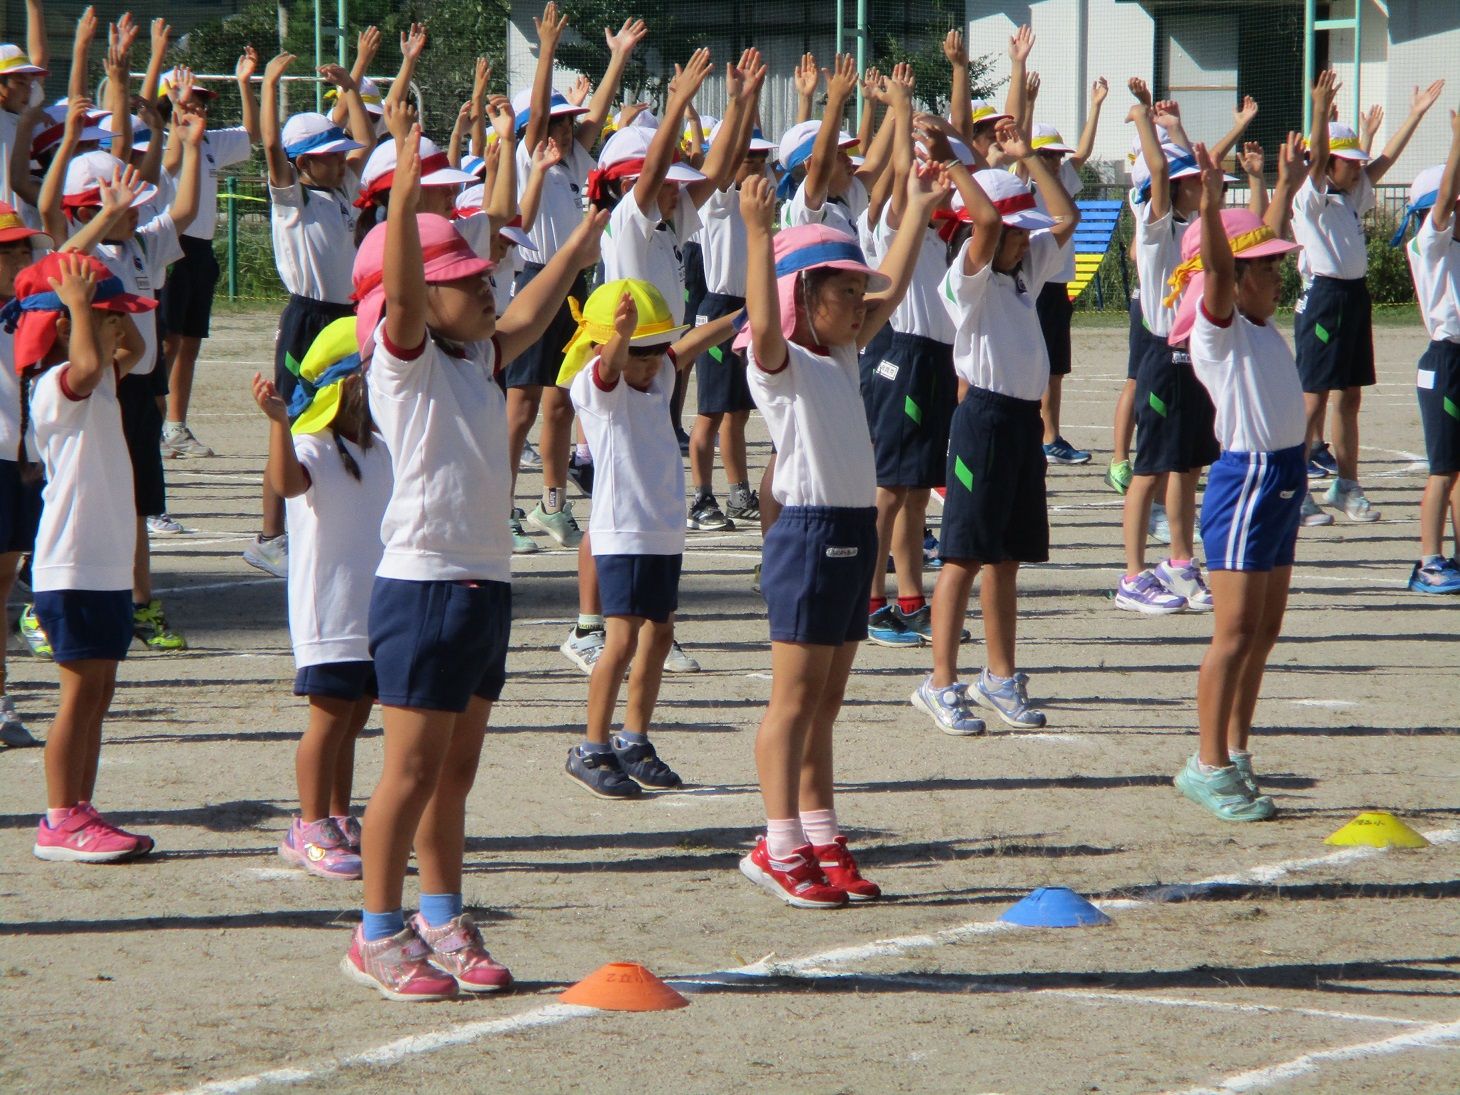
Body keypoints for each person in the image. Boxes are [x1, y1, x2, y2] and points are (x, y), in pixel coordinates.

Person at [341, 123, 607, 999]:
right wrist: (411, 194)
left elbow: (530, 311)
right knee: (409, 773)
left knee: (454, 774)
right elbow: (408, 300)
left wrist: (583, 236)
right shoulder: (404, 361)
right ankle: (377, 932)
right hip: (421, 585)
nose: (487, 290)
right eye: (467, 281)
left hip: (482, 584)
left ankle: (441, 917)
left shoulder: (477, 359)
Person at [737, 161, 947, 909]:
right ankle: (778, 842)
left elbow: (889, 281)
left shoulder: (845, 350)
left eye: (859, 293)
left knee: (825, 702)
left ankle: (821, 835)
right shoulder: (782, 362)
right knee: (793, 702)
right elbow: (763, 322)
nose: (861, 304)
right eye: (844, 292)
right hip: (807, 534)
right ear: (804, 297)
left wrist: (917, 210)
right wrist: (759, 237)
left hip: (854, 531)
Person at [913, 124, 1079, 737]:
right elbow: (983, 225)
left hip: (1019, 425)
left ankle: (999, 676)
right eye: (1017, 234)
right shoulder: (968, 275)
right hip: (980, 420)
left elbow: (1066, 218)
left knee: (1006, 559)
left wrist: (1029, 159)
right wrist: (951, 166)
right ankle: (939, 683)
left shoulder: (1021, 273)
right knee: (961, 556)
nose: (1027, 243)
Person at [1169, 143, 1306, 821]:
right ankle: (1207, 762)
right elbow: (1224, 267)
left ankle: (1238, 749)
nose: (1279, 277)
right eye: (1269, 270)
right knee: (1232, 631)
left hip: (1282, 478)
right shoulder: (1219, 332)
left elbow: (1254, 249)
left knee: (1265, 628)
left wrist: (1278, 185)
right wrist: (1216, 203)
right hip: (1246, 481)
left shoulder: (1260, 320)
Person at [560, 279, 736, 799]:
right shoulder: (596, 386)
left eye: (655, 349)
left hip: (662, 530)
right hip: (623, 531)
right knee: (619, 642)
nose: (649, 360)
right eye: (639, 351)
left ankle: (634, 738)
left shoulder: (657, 373)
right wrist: (621, 338)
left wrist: (744, 316)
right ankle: (591, 747)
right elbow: (613, 363)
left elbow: (688, 345)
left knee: (659, 636)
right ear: (603, 345)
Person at [9, 251, 155, 861]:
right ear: (64, 328)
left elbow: (137, 355)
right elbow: (93, 360)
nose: (122, 328)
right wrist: (76, 307)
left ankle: (81, 808)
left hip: (103, 565)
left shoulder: (97, 383)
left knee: (99, 692)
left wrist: (106, 308)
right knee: (79, 694)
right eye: (111, 317)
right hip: (70, 565)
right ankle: (58, 817)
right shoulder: (56, 386)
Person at [253, 316, 391, 877]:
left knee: (355, 718)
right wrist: (279, 426)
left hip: (371, 611)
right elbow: (286, 484)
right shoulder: (310, 444)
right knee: (330, 720)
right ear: (346, 384)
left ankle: (337, 814)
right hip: (328, 613)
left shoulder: (380, 446)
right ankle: (308, 825)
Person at [507, 3, 647, 553]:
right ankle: (500, 504)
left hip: (576, 289)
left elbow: (598, 112)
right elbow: (539, 111)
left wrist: (617, 59)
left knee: (562, 400)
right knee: (519, 406)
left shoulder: (577, 160)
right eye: (557, 123)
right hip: (537, 280)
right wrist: (545, 55)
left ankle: (552, 502)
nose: (565, 128)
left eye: (569, 123)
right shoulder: (529, 155)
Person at [241, 52, 373, 578]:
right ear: (302, 163)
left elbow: (366, 142)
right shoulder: (292, 199)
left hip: (347, 317)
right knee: (293, 419)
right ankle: (269, 537)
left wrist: (352, 90)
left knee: (349, 413)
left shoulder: (344, 191)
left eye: (339, 155)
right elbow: (272, 145)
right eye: (327, 155)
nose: (340, 161)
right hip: (308, 318)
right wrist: (269, 84)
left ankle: (325, 513)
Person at [1294, 70, 1444, 523]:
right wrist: (1320, 110)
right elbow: (1318, 157)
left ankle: (1346, 484)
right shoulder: (1312, 195)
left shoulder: (1351, 194)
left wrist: (1414, 116)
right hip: (1323, 298)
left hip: (1354, 297)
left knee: (1351, 395)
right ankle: (1295, 487)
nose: (1359, 166)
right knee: (1314, 397)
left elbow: (1384, 159)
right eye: (1349, 160)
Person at [1111, 88, 1221, 615]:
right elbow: (1157, 168)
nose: (1201, 186)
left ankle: (1180, 561)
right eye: (1191, 183)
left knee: (1188, 465)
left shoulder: (1196, 228)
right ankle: (1132, 576)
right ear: (1174, 190)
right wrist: (1140, 119)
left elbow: (1193, 167)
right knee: (1150, 468)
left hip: (1193, 353)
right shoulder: (1155, 230)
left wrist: (1176, 130)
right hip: (1160, 353)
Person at [156, 48, 260, 458]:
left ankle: (175, 426)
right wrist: (178, 112)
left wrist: (244, 84)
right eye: (187, 97)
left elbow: (251, 133)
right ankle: (152, 420)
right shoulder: (161, 142)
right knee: (166, 342)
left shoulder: (212, 142)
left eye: (200, 99)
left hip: (200, 249)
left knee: (190, 341)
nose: (197, 104)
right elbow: (173, 159)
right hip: (169, 246)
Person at [1394, 116, 1460, 595]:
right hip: (1445, 363)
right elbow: (1441, 206)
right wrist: (1457, 142)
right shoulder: (1428, 243)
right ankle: (1428, 562)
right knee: (1442, 469)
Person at [1027, 77, 1107, 464]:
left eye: (1058, 156)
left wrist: (1095, 106)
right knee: (1040, 365)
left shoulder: (1061, 180)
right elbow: (1020, 153)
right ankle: (1045, 436)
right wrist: (1027, 103)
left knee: (1055, 367)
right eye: (1049, 155)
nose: (1057, 161)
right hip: (1035, 284)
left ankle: (1049, 436)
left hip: (1056, 285)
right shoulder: (1026, 183)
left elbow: (1085, 152)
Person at [0, 199, 49, 746]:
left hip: (20, 463)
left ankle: (1, 699)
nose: (20, 259)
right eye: (8, 251)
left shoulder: (27, 306)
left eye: (23, 250)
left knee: (4, 582)